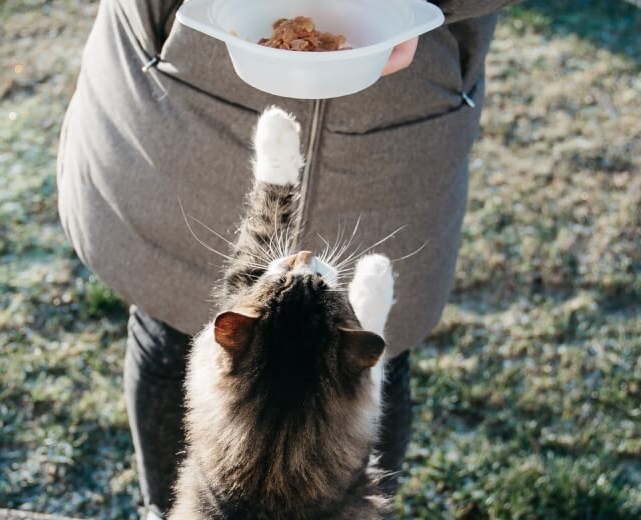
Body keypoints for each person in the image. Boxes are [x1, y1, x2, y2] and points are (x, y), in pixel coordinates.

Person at [57, 1, 515, 517]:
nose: (301, 255)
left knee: (378, 349)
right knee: (170, 323)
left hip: (407, 120)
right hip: (187, 89)